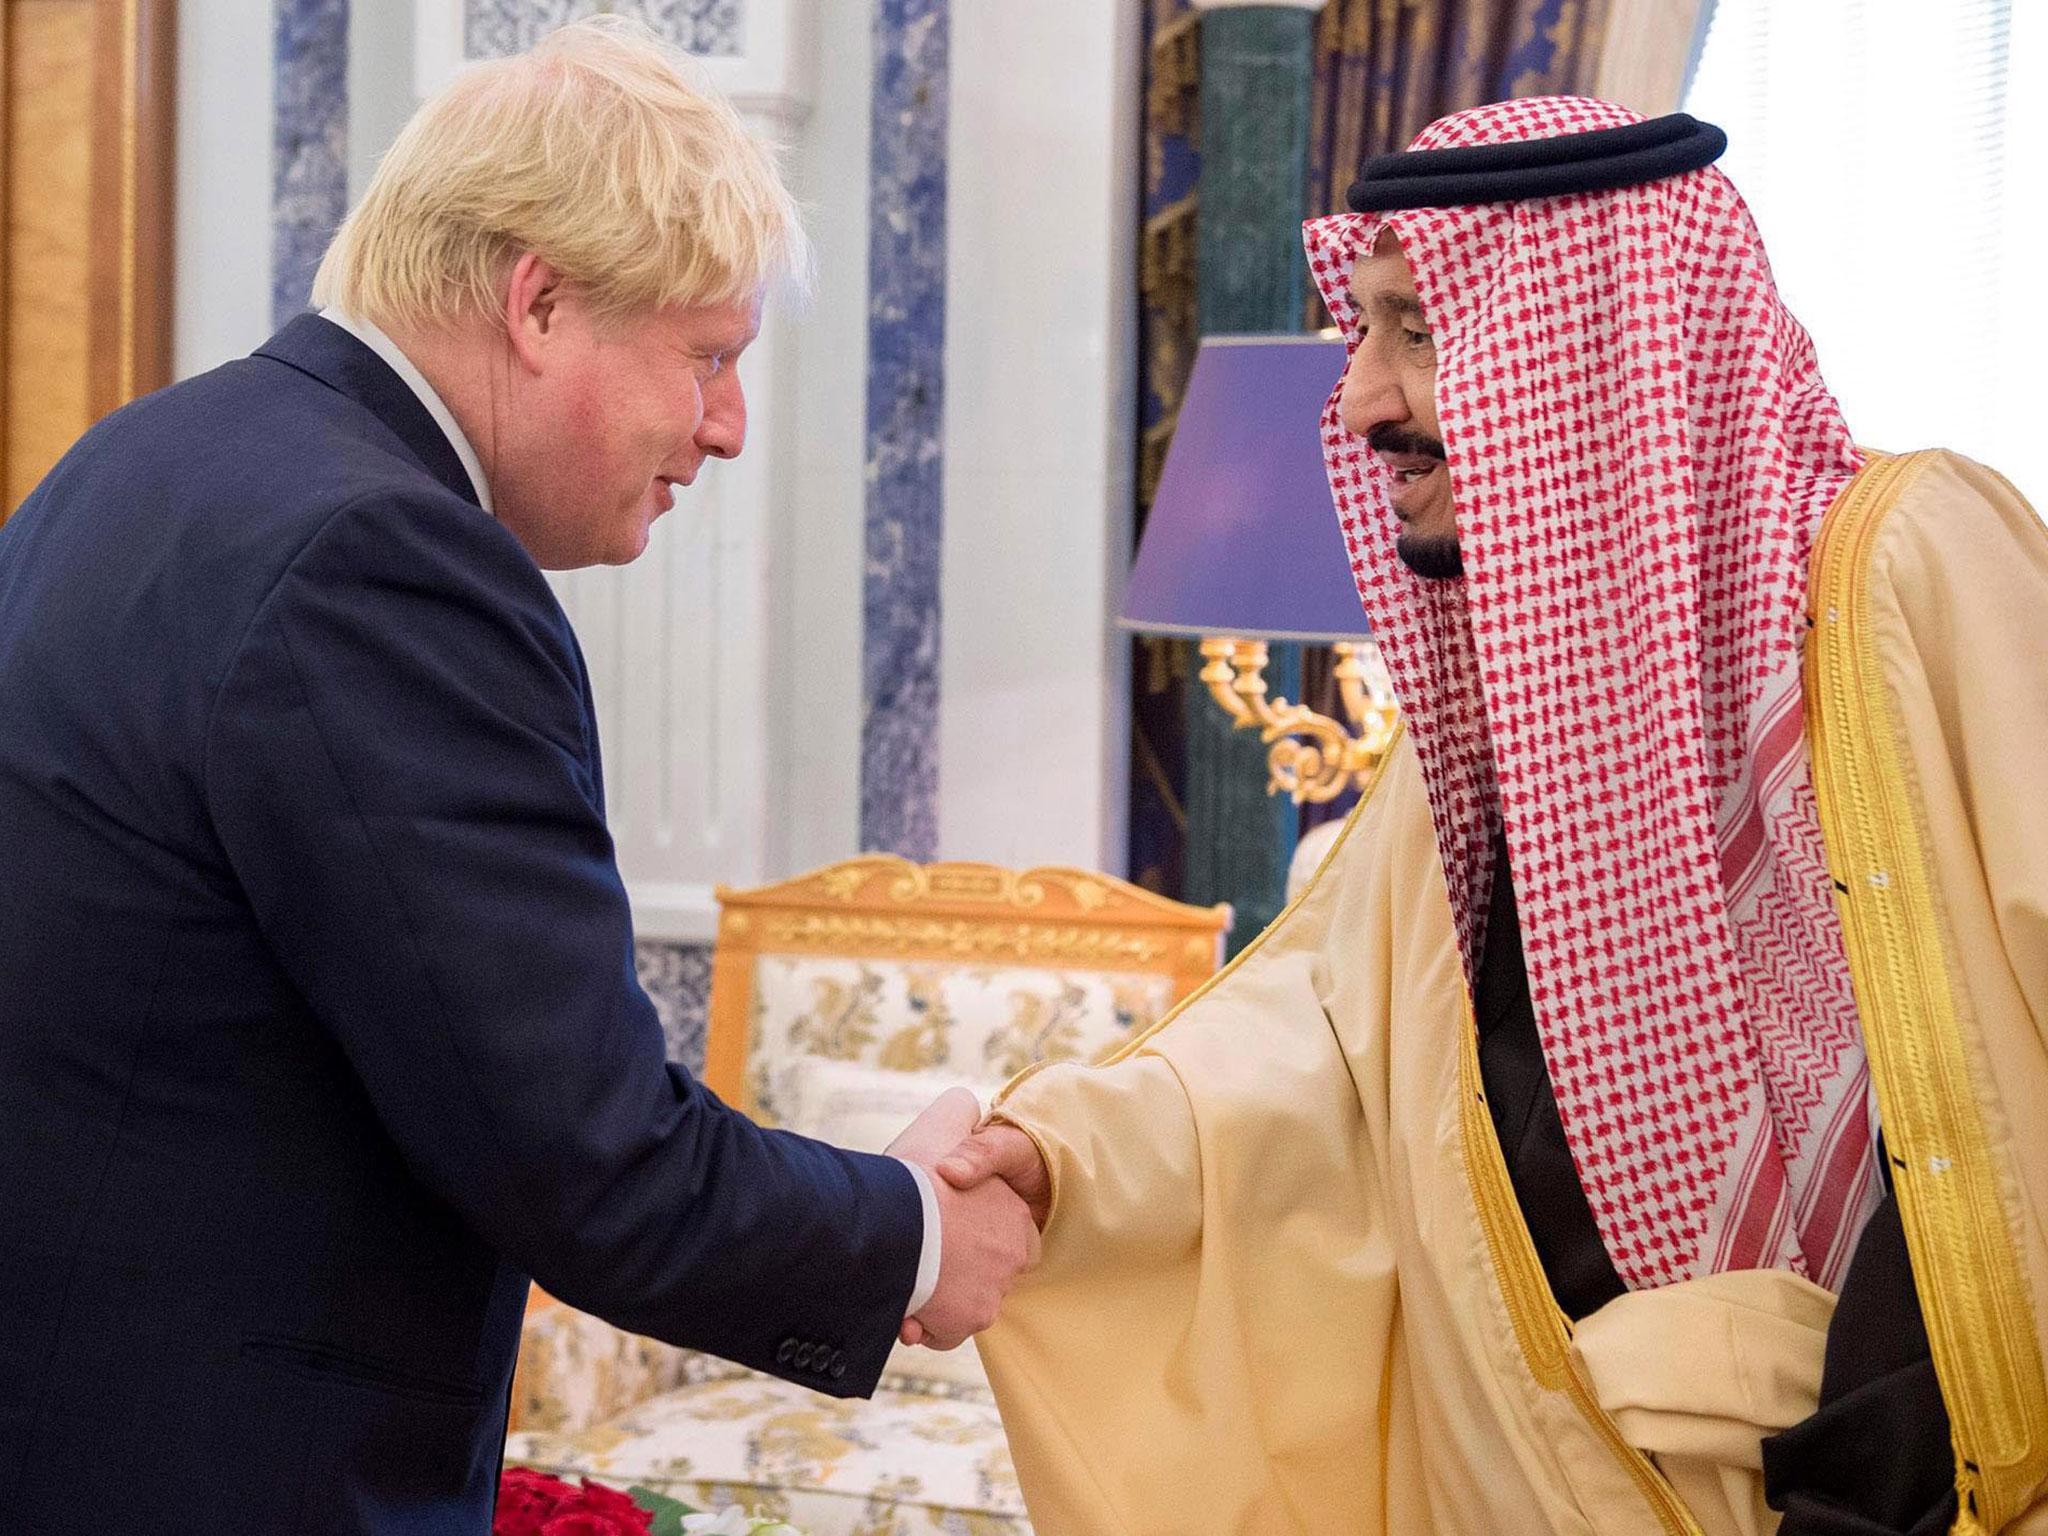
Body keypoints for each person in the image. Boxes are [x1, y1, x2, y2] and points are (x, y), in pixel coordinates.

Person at [936, 98, 2048, 1535]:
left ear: (1594, 346)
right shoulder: (1499, 722)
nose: (1362, 403)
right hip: (1555, 1479)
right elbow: (1318, 1055)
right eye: (1364, 334)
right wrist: (1056, 1159)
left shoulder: (1911, 572)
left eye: (1418, 330)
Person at [0, 19, 1033, 1533]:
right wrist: (917, 1237)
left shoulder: (150, 458)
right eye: (710, 357)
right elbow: (588, 1162)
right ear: (539, 302)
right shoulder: (385, 559)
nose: (728, 428)